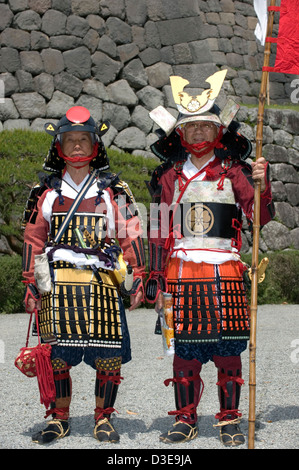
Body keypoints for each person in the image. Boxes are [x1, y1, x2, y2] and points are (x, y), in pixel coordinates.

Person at [145, 71, 275, 446]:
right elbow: (157, 225)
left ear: (219, 131)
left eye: (206, 126)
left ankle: (229, 419)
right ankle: (185, 419)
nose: (199, 133)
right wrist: (154, 273)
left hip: (226, 267)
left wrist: (262, 186)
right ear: (180, 133)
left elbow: (260, 218)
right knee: (184, 351)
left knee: (228, 349)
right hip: (181, 270)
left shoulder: (235, 171)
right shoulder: (168, 174)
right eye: (192, 128)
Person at [22, 106, 145, 444]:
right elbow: (33, 240)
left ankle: (103, 419)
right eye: (70, 140)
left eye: (84, 140)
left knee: (108, 355)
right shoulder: (44, 192)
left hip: (102, 280)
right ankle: (59, 418)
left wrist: (139, 277)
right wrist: (29, 284)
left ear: (95, 146)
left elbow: (130, 233)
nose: (77, 146)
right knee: (58, 357)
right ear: (59, 146)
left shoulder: (113, 190)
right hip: (57, 283)